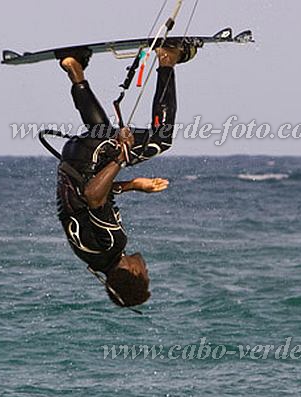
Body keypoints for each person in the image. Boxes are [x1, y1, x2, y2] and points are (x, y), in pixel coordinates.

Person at [53, 42, 196, 309]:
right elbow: (89, 201)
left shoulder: (112, 244)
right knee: (101, 129)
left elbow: (93, 195)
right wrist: (132, 185)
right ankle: (73, 67)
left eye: (147, 275)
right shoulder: (94, 258)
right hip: (73, 157)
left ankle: (167, 58)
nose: (147, 269)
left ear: (134, 272)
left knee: (161, 138)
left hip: (91, 159)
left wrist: (121, 155)